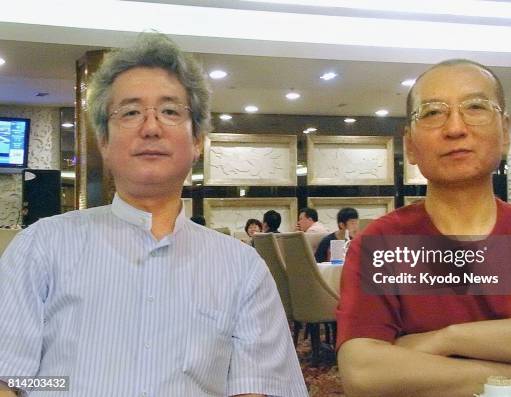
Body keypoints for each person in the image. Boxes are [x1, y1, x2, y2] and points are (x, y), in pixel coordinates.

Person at [0, 33, 307, 397]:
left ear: (197, 142)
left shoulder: (242, 269)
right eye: (130, 112)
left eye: (170, 111)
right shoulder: (40, 246)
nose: (150, 127)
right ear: (104, 143)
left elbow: (257, 388)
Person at [337, 59, 511, 397]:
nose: (455, 128)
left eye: (476, 107)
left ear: (506, 132)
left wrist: (447, 338)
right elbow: (363, 371)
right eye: (433, 112)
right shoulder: (381, 244)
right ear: (409, 146)